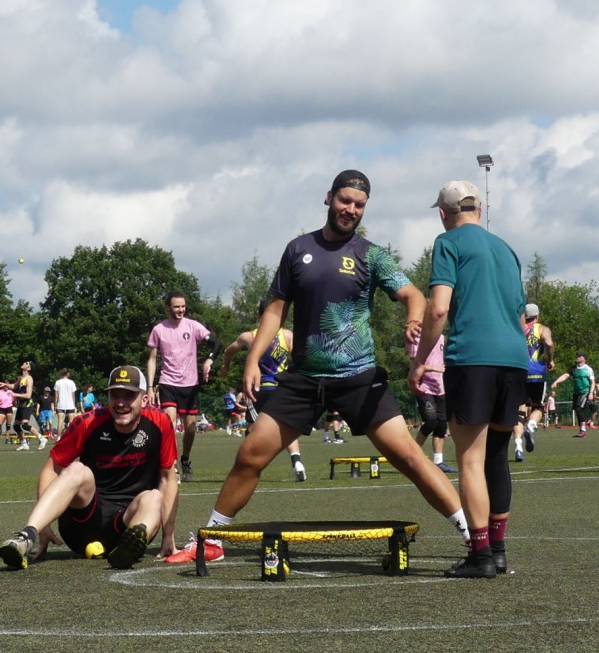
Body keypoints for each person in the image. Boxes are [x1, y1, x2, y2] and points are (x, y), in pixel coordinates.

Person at [204, 169, 468, 553]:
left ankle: (472, 536)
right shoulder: (297, 249)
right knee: (249, 456)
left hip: (359, 378)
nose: (351, 210)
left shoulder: (371, 254)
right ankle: (210, 539)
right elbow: (275, 311)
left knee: (410, 457)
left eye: (359, 205)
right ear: (329, 197)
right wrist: (252, 360)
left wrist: (413, 319)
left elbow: (414, 295)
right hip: (304, 379)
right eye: (345, 200)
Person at [412, 178, 525, 577]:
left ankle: (480, 556)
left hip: (473, 359)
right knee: (497, 456)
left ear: (444, 214)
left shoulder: (448, 243)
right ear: (479, 209)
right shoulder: (506, 249)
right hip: (514, 359)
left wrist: (420, 360)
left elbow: (439, 308)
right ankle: (498, 551)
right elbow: (519, 312)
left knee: (470, 459)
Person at [0, 365, 179, 569]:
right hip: (82, 524)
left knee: (154, 497)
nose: (121, 403)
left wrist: (168, 535)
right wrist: (43, 526)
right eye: (114, 395)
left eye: (129, 396)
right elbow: (52, 468)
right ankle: (25, 537)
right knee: (77, 470)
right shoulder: (88, 422)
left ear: (144, 400)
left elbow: (167, 479)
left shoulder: (160, 423)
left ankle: (128, 551)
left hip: (130, 521)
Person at [217, 299, 307, 480]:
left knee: (252, 427)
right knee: (286, 426)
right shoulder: (287, 335)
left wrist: (226, 367)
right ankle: (296, 461)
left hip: (257, 388)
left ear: (258, 315)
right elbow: (301, 359)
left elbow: (228, 351)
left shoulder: (249, 336)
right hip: (281, 387)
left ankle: (247, 466)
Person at [145, 291, 215, 481]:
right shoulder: (159, 329)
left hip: (190, 385)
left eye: (183, 306)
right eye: (176, 306)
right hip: (168, 383)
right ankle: (172, 464)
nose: (181, 310)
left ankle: (185, 459)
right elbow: (152, 359)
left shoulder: (193, 326)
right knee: (169, 425)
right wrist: (150, 387)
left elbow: (216, 344)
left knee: (190, 428)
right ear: (168, 307)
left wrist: (209, 360)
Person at [408, 324, 455, 473]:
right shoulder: (417, 338)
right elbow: (415, 364)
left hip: (439, 387)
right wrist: (435, 368)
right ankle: (413, 456)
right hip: (424, 386)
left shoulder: (441, 337)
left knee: (441, 425)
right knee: (431, 422)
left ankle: (438, 461)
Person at [519, 303, 554, 459]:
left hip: (518, 371)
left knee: (519, 410)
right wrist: (550, 359)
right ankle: (531, 427)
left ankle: (517, 446)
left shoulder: (517, 328)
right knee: (538, 406)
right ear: (537, 316)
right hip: (536, 373)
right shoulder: (542, 329)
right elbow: (549, 343)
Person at [12, 361, 47, 451]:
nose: (24, 363)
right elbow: (14, 386)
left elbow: (28, 395)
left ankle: (42, 438)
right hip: (21, 405)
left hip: (27, 405)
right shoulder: (21, 378)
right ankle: (24, 444)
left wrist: (15, 394)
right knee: (16, 426)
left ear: (28, 368)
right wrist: (5, 385)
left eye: (26, 363)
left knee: (25, 425)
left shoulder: (29, 379)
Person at [53, 368, 78, 439]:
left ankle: (58, 437)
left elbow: (56, 396)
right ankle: (71, 437)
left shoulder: (57, 382)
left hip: (60, 404)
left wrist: (55, 406)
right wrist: (74, 405)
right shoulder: (72, 382)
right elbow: (73, 395)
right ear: (68, 374)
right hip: (70, 404)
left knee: (60, 422)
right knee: (71, 422)